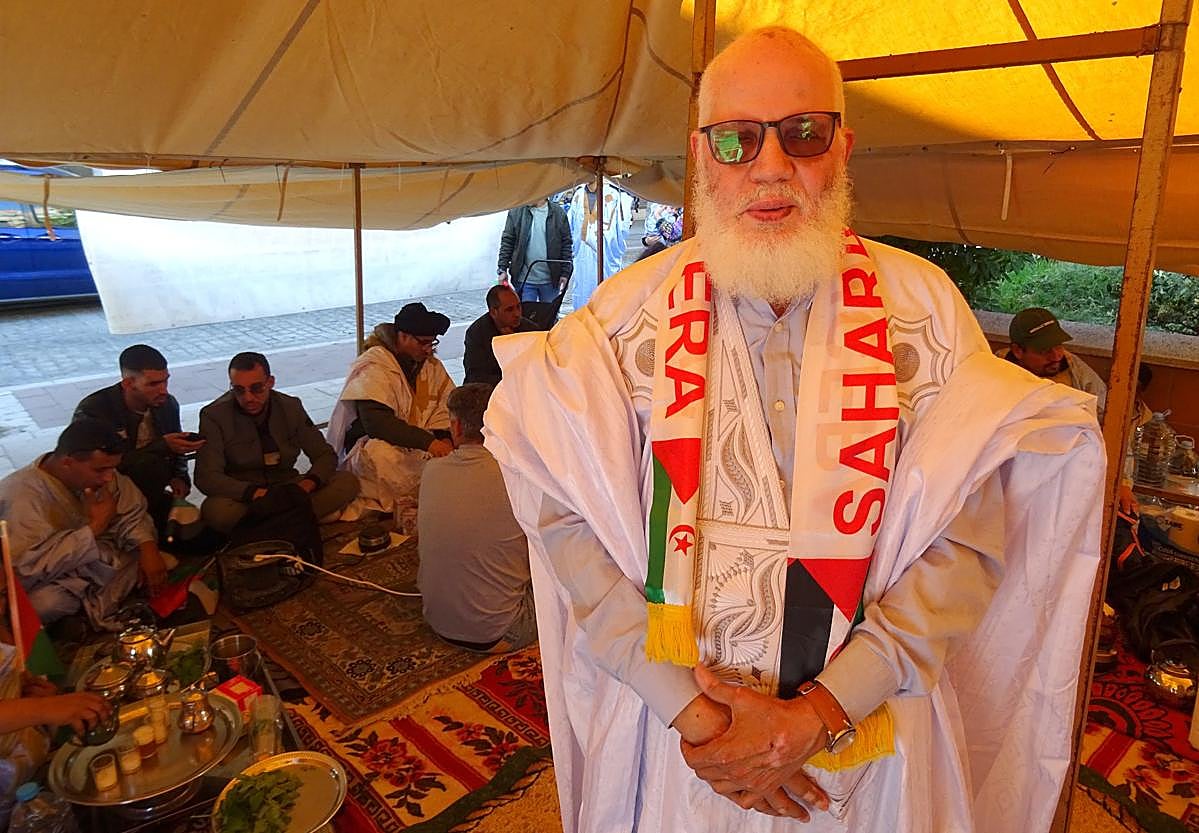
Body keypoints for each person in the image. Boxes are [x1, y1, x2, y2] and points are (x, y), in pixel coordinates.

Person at [483, 27, 1103, 833]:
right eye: (736, 139)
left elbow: (968, 540)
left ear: (841, 147)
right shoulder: (620, 318)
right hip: (681, 740)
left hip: (864, 740)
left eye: (801, 133)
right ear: (703, 156)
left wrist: (815, 714)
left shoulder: (925, 310)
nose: (769, 166)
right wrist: (696, 718)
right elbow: (565, 516)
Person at [0, 419, 167, 631]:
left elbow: (132, 511)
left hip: (99, 561)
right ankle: (82, 615)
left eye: (112, 469)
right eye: (100, 470)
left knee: (143, 553)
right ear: (67, 462)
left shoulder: (103, 474)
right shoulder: (21, 496)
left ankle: (84, 612)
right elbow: (24, 570)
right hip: (51, 580)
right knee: (44, 604)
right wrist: (95, 527)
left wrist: (147, 548)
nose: (108, 478)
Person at [417, 383, 535, 652]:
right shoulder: (518, 476)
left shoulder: (431, 471)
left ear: (456, 428)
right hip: (503, 631)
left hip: (437, 621)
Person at [194, 352, 359, 532]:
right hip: (246, 496)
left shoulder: (290, 407)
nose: (248, 398)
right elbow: (207, 477)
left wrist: (307, 485)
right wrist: (255, 493)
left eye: (256, 388)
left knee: (347, 482)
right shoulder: (214, 416)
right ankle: (297, 519)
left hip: (287, 488)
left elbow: (324, 455)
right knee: (216, 512)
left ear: (270, 382)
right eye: (239, 390)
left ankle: (264, 527)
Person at [326, 303, 455, 518]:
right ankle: (401, 502)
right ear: (402, 336)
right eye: (423, 343)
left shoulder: (431, 365)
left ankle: (425, 496)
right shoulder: (375, 365)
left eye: (432, 343)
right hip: (375, 442)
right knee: (381, 455)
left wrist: (445, 437)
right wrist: (429, 443)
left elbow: (446, 407)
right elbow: (377, 424)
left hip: (419, 443)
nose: (428, 349)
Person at [73, 344, 204, 537]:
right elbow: (98, 469)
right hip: (112, 500)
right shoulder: (95, 411)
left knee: (200, 536)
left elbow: (176, 444)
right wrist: (161, 447)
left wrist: (179, 476)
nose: (163, 391)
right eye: (153, 384)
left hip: (153, 493)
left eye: (165, 381)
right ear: (128, 384)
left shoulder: (166, 405)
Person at [1002, 306, 1108, 418]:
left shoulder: (1072, 365)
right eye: (1045, 350)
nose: (1056, 357)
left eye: (1058, 346)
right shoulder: (999, 373)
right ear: (1017, 351)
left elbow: (1104, 410)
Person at [567, 178, 633, 308]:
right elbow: (572, 225)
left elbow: (622, 229)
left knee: (605, 297)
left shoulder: (614, 195)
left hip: (606, 256)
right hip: (582, 256)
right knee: (582, 294)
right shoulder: (578, 195)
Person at [497, 198, 574, 303]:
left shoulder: (558, 213)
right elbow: (507, 241)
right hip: (524, 279)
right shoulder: (516, 212)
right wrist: (502, 269)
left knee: (548, 316)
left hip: (551, 280)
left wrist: (565, 273)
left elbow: (566, 244)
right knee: (526, 316)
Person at [463, 286, 539, 385]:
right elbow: (475, 374)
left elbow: (539, 366)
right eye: (509, 310)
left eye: (518, 307)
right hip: (491, 389)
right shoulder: (477, 333)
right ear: (494, 312)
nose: (517, 314)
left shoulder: (530, 330)